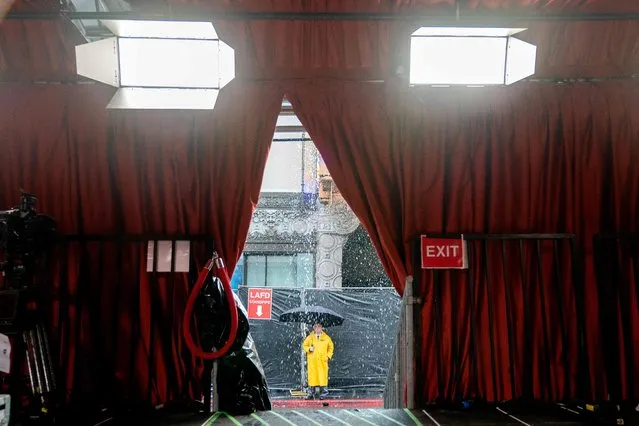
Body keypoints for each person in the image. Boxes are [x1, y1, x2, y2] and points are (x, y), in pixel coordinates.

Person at [302, 322, 334, 400]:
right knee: (312, 378)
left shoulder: (326, 338)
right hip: (313, 362)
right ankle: (310, 394)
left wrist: (328, 356)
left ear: (321, 327)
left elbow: (331, 347)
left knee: (322, 378)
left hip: (322, 362)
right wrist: (309, 349)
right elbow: (304, 345)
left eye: (319, 327)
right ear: (314, 328)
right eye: (316, 327)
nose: (317, 328)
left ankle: (324, 394)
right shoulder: (310, 337)